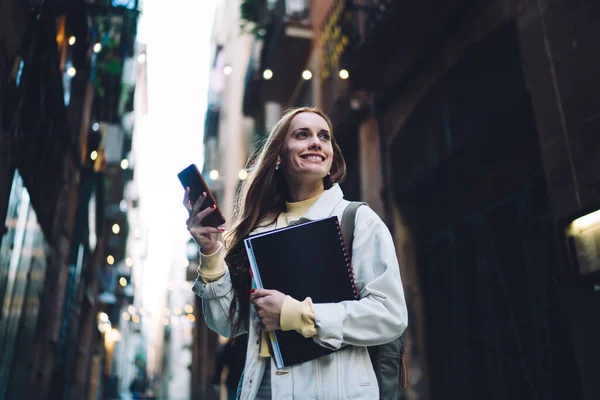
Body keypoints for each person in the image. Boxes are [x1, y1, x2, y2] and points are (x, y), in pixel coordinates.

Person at [185, 107, 407, 399]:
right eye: (302, 135)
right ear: (278, 155)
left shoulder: (357, 221)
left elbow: (389, 315)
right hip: (262, 388)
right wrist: (211, 251)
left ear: (331, 158)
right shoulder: (258, 230)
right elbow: (228, 322)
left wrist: (297, 313)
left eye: (324, 137)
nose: (316, 142)